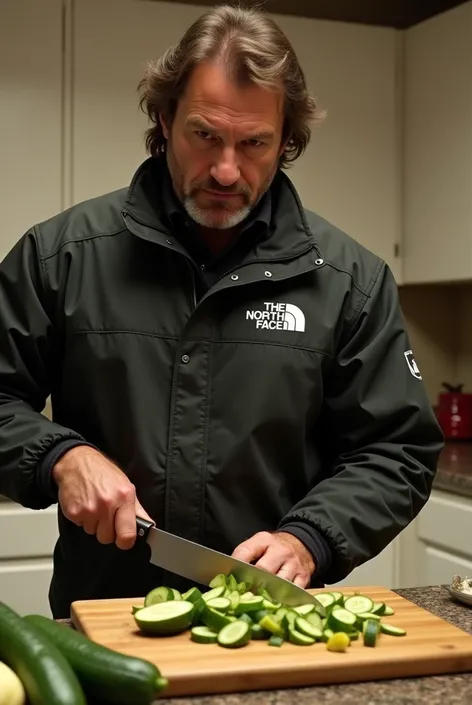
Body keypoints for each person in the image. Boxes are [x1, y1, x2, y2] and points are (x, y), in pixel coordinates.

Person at [0, 4, 443, 619]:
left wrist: (310, 538)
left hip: (269, 623)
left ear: (287, 140)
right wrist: (58, 457)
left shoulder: (350, 281)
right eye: (204, 135)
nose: (226, 169)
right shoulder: (61, 255)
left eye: (255, 142)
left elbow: (398, 451)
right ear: (164, 118)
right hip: (102, 621)